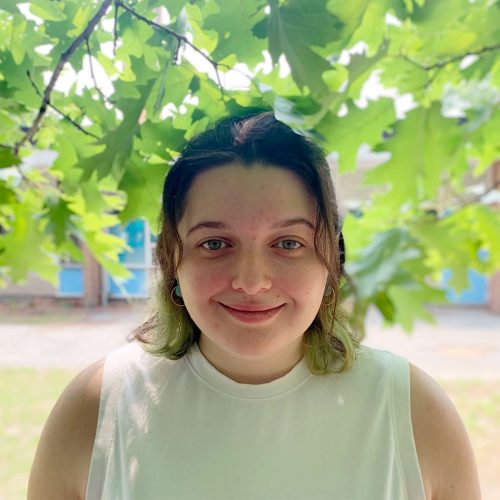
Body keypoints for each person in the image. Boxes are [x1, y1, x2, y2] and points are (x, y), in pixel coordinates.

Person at [28, 112, 481, 500]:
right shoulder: (95, 407)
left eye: (288, 242)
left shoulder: (412, 411)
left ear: (331, 260)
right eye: (214, 242)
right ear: (171, 259)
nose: (250, 280)